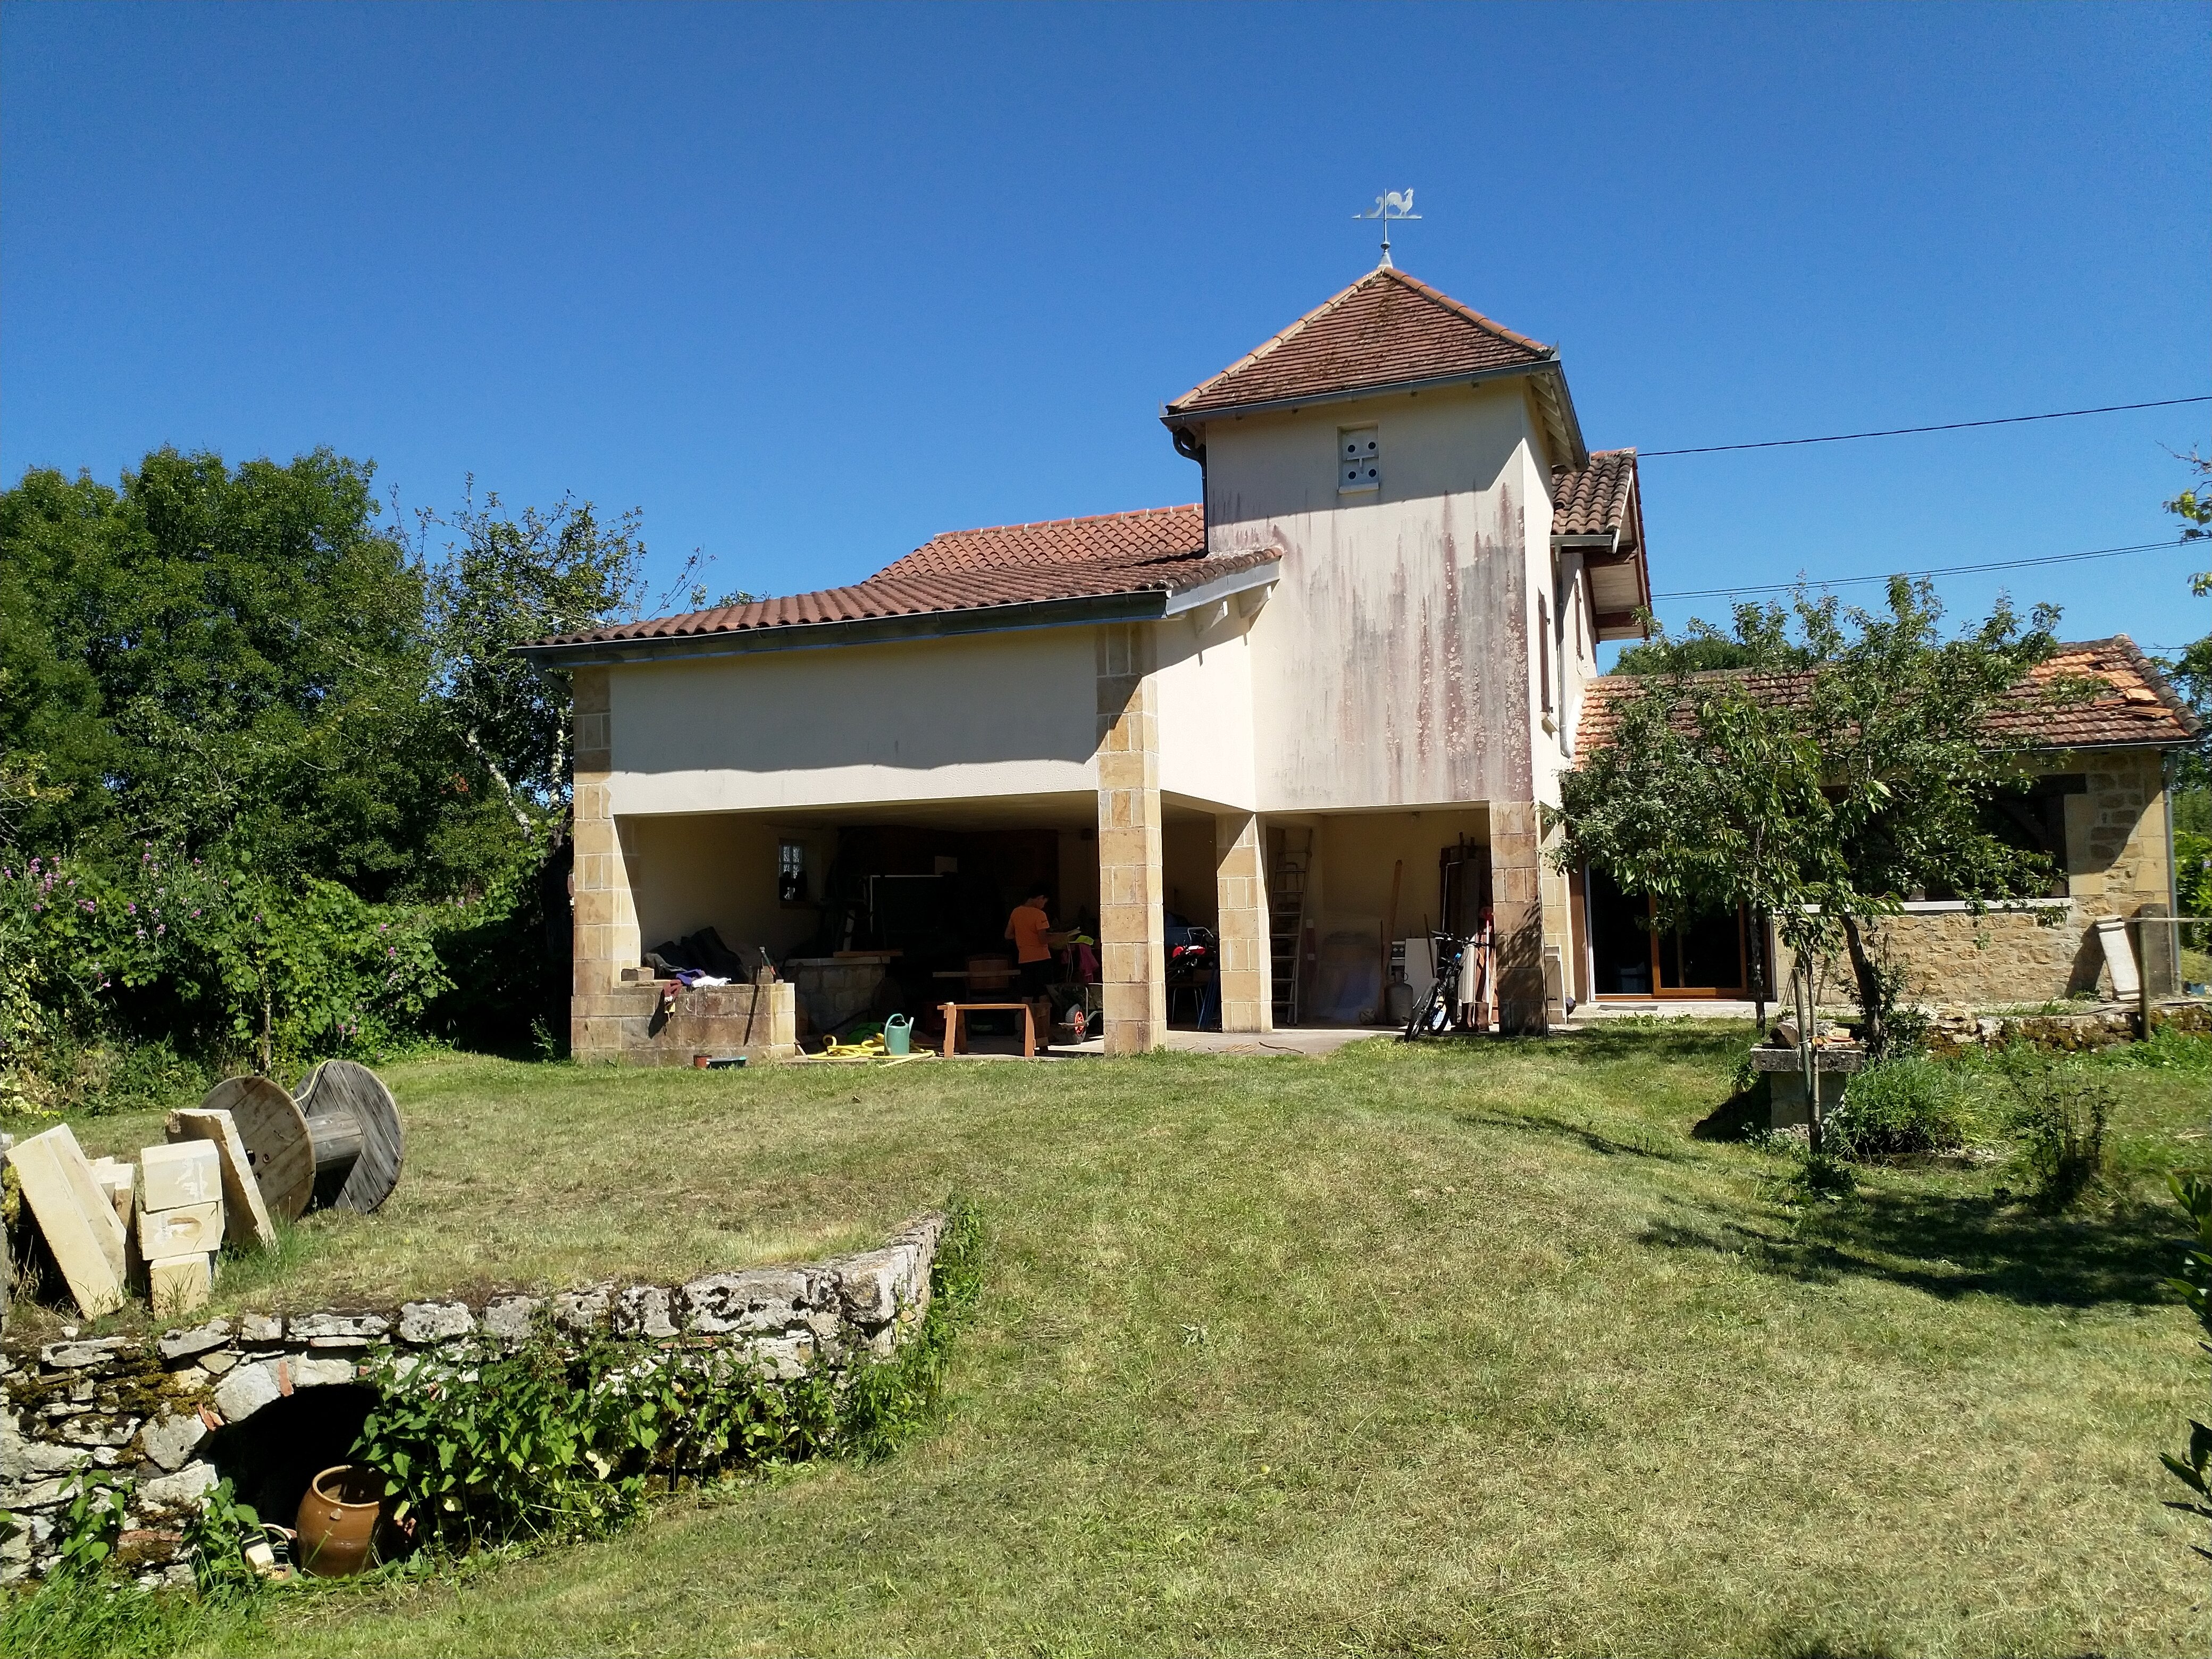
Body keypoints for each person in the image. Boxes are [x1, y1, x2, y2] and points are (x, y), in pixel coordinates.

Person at [1004, 885, 1054, 1041]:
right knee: (1044, 997)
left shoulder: (1016, 912)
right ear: (1040, 898)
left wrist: (1023, 938)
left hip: (1024, 959)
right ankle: (1045, 1033)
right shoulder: (1039, 914)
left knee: (1026, 997)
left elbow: (1008, 935)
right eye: (1044, 902)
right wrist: (1061, 937)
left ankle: (1026, 1034)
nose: (1044, 905)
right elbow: (1043, 939)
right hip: (1041, 959)